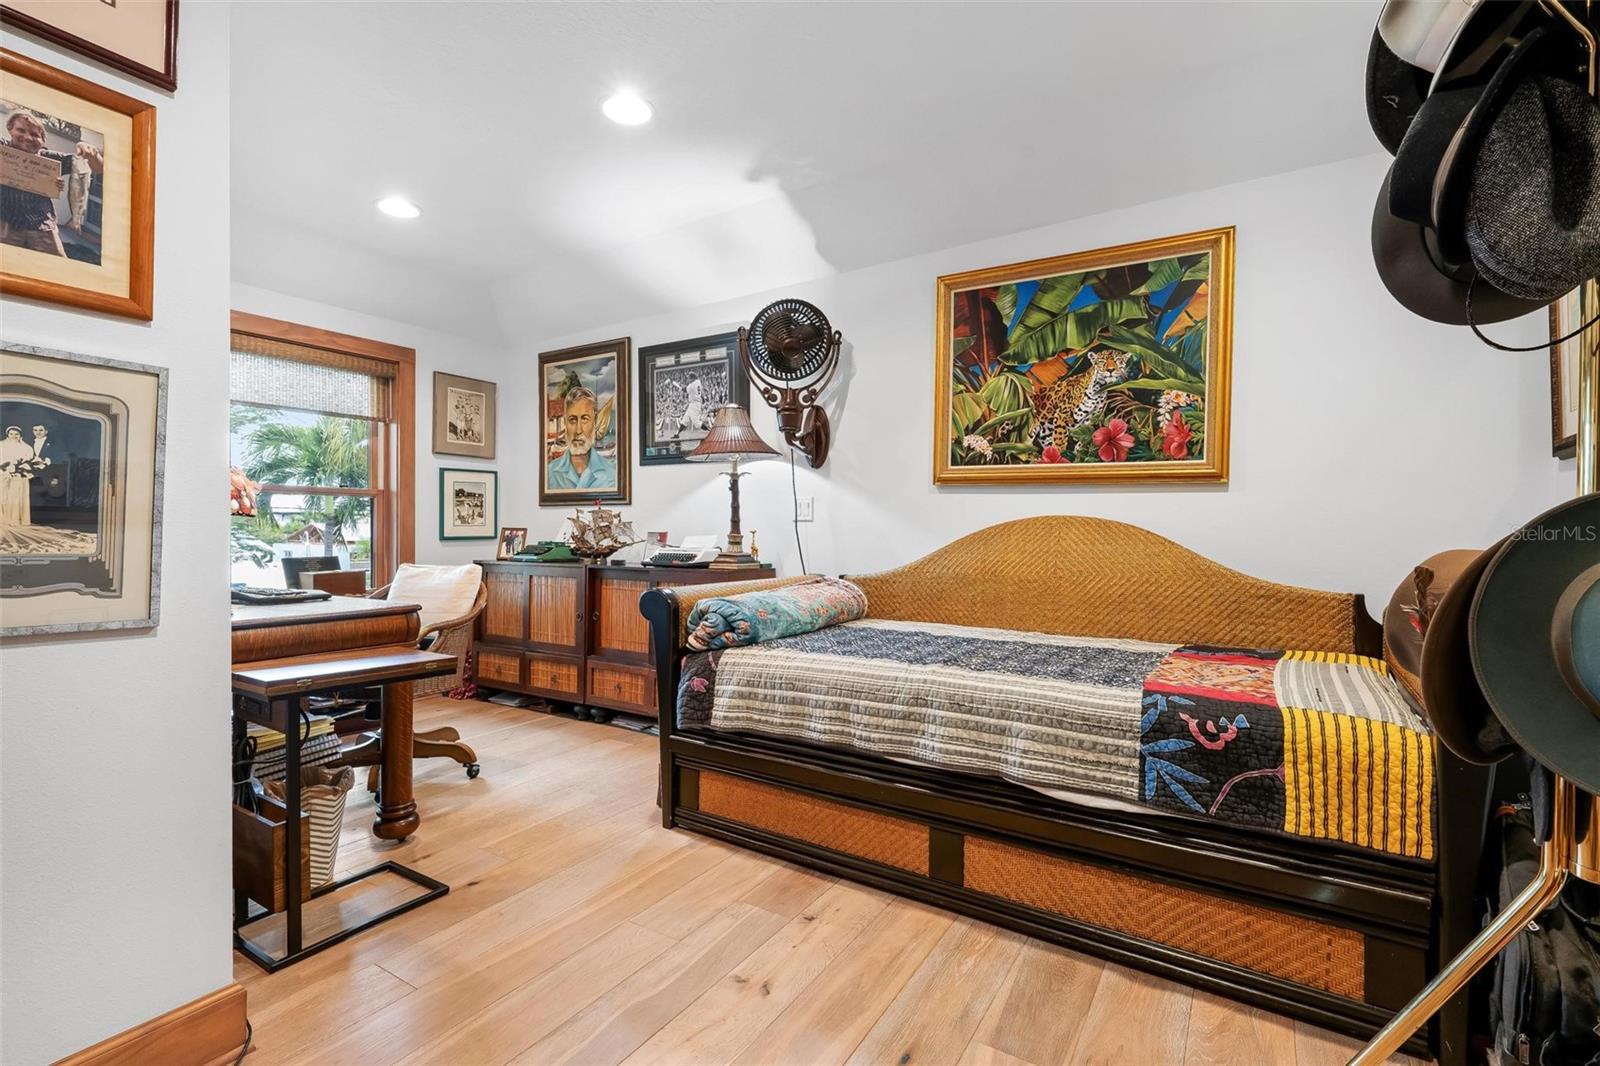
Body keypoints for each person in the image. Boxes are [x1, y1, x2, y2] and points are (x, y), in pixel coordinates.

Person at [1, 109, 103, 257]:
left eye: (35, 135)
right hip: (5, 221)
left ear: (43, 141)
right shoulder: (2, 148)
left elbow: (98, 167)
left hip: (42, 225)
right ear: (10, 129)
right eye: (21, 130)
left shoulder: (50, 159)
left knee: (56, 267)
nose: (28, 137)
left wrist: (90, 150)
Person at [546, 386, 617, 491]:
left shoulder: (613, 474)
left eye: (584, 419)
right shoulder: (549, 474)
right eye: (572, 420)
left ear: (595, 421)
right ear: (565, 422)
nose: (578, 430)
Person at [0, 425, 36, 525]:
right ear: (7, 435)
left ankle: (16, 518)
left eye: (16, 434)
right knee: (4, 496)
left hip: (19, 475)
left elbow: (28, 461)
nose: (14, 436)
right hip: (3, 474)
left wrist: (21, 468)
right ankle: (4, 518)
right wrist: (5, 468)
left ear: (20, 435)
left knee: (17, 496)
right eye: (11, 434)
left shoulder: (26, 448)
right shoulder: (1, 445)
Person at [677, 373, 706, 437]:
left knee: (697, 424)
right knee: (685, 420)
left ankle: (710, 431)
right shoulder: (698, 382)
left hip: (694, 405)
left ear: (693, 378)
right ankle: (677, 434)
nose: (688, 379)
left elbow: (686, 389)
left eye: (689, 378)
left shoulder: (692, 385)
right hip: (693, 404)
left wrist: (681, 389)